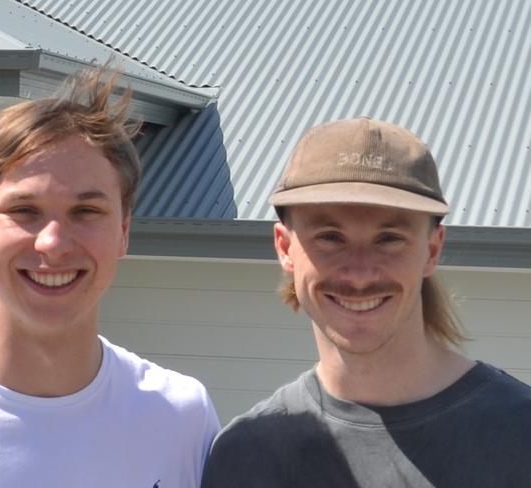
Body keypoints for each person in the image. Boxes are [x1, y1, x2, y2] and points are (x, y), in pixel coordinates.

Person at [0, 67, 219, 487]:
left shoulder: (181, 420)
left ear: (124, 231)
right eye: (24, 211)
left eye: (86, 211)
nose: (53, 243)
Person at [201, 117, 531, 487]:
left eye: (389, 238)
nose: (359, 274)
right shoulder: (248, 457)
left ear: (432, 250)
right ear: (284, 247)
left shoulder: (520, 433)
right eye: (330, 237)